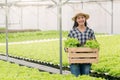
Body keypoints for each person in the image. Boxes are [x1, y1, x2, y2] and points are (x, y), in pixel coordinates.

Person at [68, 12, 96, 77]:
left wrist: (94, 48)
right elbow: (67, 46)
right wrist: (67, 48)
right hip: (74, 60)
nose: (81, 19)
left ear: (85, 19)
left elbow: (95, 44)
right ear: (76, 20)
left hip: (86, 59)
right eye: (78, 18)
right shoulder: (72, 31)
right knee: (75, 78)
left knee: (85, 77)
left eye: (82, 17)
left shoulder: (90, 31)